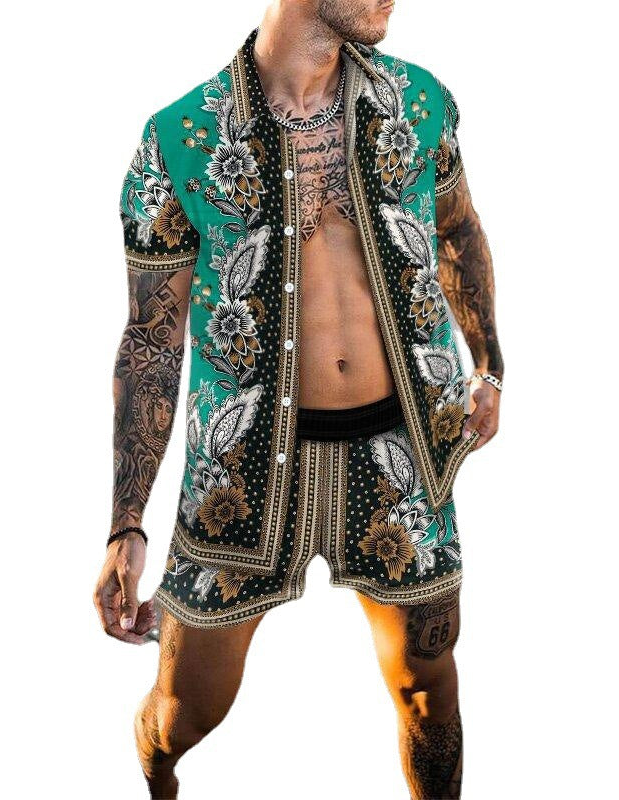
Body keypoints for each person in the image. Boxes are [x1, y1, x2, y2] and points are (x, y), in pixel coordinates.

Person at [93, 1, 504, 797]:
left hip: (401, 460)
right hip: (238, 478)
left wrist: (491, 368)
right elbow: (152, 340)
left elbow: (458, 229)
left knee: (428, 693)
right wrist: (126, 522)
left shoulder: (422, 102)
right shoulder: (179, 138)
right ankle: (158, 778)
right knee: (183, 713)